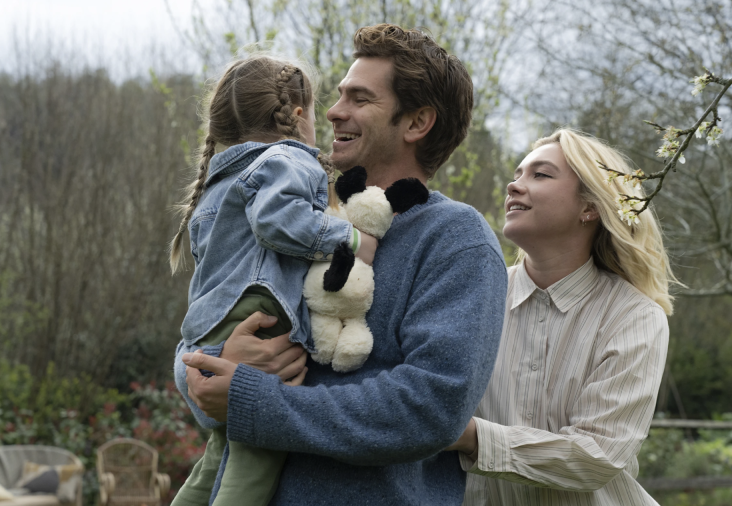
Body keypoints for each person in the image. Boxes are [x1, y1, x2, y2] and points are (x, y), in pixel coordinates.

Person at [177, 24, 508, 505]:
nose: (333, 112)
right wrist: (211, 373)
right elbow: (203, 328)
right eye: (337, 96)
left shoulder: (457, 239)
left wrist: (256, 400)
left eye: (359, 99)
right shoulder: (297, 221)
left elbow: (433, 406)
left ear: (416, 123)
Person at [168, 54, 379, 506]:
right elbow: (278, 222)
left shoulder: (220, 178)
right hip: (258, 313)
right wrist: (351, 237)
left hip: (213, 326)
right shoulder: (288, 157)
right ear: (297, 115)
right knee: (257, 458)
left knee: (220, 452)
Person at [446, 128, 675, 505]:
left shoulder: (635, 317)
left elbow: (596, 454)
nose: (514, 185)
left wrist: (471, 437)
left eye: (540, 174)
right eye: (517, 174)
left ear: (590, 207)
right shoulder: (475, 294)